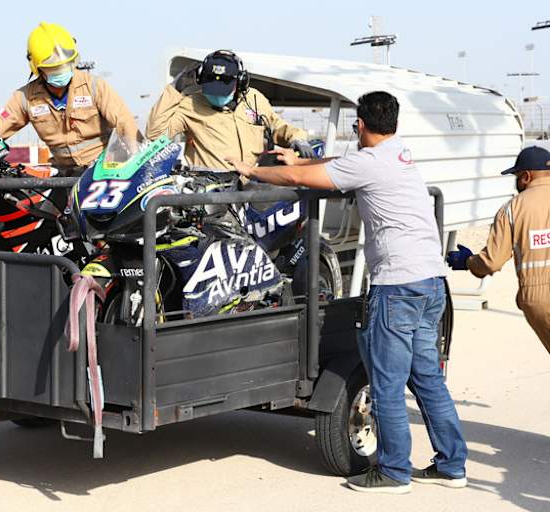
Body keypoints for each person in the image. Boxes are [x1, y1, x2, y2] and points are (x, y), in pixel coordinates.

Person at [227, 91, 467, 494]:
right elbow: (333, 167)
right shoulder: (397, 155)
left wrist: (253, 172)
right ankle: (451, 465)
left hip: (398, 287)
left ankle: (393, 472)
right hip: (431, 282)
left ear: (360, 125)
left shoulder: (369, 163)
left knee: (387, 383)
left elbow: (301, 180)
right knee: (427, 380)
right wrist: (299, 159)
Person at [0, 22, 138, 175]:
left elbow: (125, 122)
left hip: (102, 172)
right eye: (55, 68)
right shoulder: (25, 98)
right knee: (37, 207)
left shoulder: (94, 86)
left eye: (67, 65)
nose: (62, 71)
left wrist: (134, 161)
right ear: (37, 68)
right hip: (63, 175)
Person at [447, 146, 550, 354]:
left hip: (539, 297)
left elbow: (492, 261)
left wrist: (467, 262)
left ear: (526, 176)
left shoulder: (512, 209)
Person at [145, 49, 315, 170]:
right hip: (209, 193)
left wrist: (297, 139)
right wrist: (174, 90)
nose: (217, 95)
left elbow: (277, 126)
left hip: (251, 186)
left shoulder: (254, 99)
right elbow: (155, 134)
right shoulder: (190, 104)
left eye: (223, 88)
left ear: (240, 82)